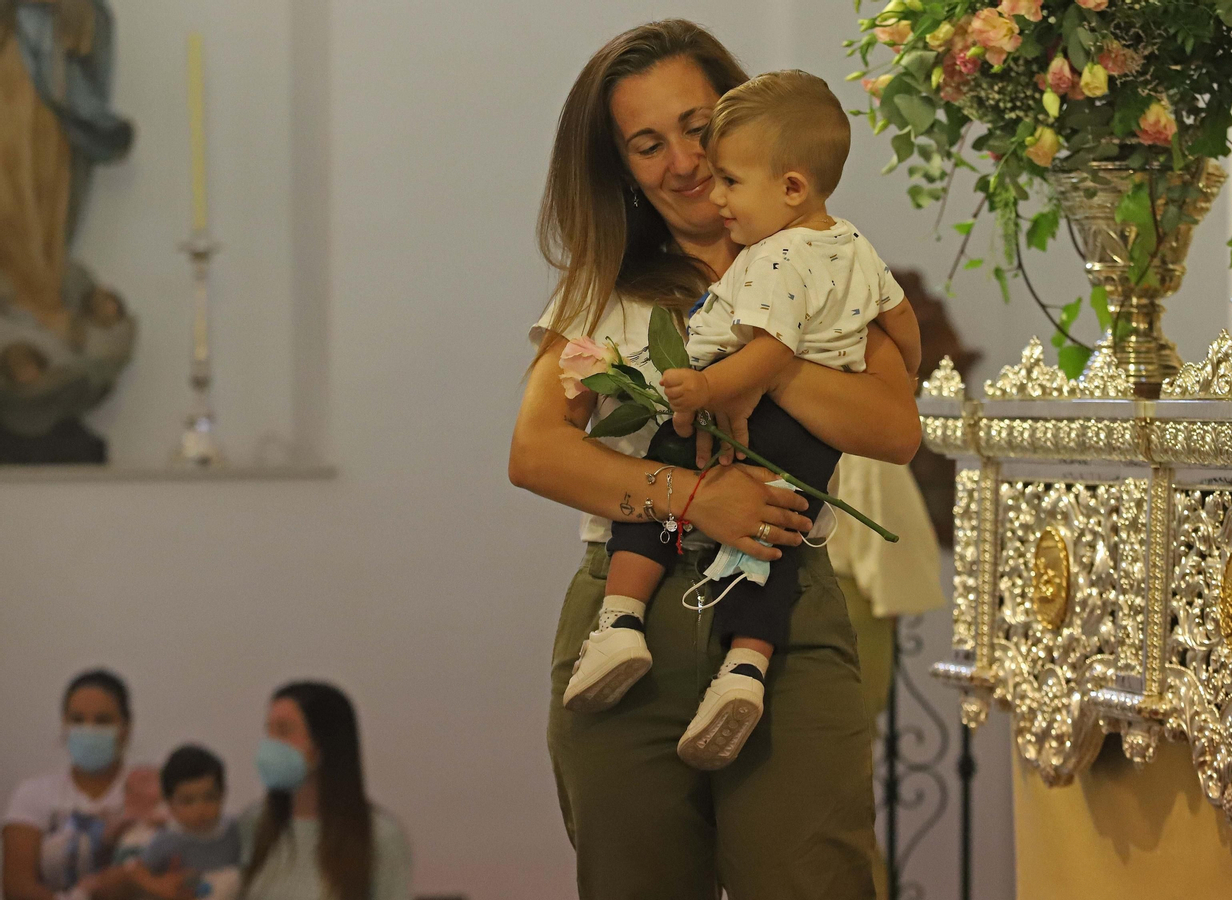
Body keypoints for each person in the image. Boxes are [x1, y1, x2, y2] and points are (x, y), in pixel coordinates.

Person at [510, 18, 921, 899]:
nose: (685, 162)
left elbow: (894, 429)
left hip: (786, 607)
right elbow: (536, 452)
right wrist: (696, 499)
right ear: (623, 167)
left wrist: (761, 358)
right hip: (631, 613)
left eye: (698, 128)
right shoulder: (605, 285)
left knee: (814, 877)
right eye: (648, 145)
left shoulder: (832, 266)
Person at [562, 69, 922, 771]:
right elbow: (900, 318)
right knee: (771, 547)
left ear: (788, 184)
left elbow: (770, 353)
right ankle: (746, 673)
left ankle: (621, 621)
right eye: (646, 144)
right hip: (808, 455)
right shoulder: (852, 244)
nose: (696, 172)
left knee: (666, 478)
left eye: (704, 141)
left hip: (745, 432)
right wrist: (903, 359)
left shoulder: (775, 256)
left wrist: (703, 387)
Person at [238, 682, 410, 900]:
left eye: (283, 730)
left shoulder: (380, 837)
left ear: (323, 743)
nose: (270, 745)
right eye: (268, 731)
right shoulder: (253, 824)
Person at [3, 669, 148, 900]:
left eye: (102, 721)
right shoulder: (33, 794)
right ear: (64, 725)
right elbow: (17, 888)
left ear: (125, 727)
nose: (88, 730)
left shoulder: (150, 791)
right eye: (78, 720)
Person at [128, 745, 240, 900]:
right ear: (170, 804)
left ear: (223, 794)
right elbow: (137, 872)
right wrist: (160, 887)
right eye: (188, 801)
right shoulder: (167, 841)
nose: (200, 810)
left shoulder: (235, 831)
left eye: (210, 797)